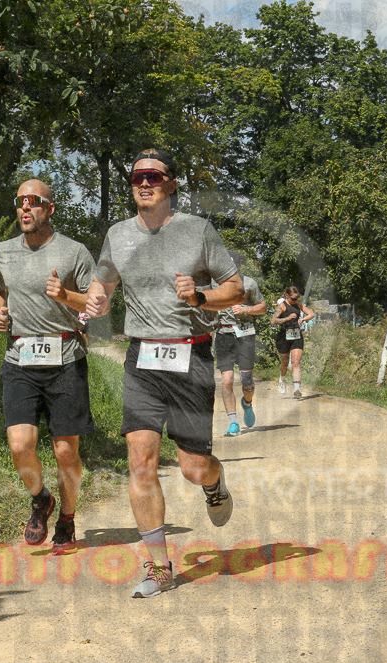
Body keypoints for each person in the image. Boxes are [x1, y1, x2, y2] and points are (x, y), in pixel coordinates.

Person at [85, 148, 244, 598]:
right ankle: (159, 567)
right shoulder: (118, 234)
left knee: (193, 468)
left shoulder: (198, 230)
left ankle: (214, 481)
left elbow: (235, 289)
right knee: (141, 462)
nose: (144, 182)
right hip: (142, 359)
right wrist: (95, 299)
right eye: (137, 176)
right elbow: (103, 283)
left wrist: (200, 297)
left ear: (171, 184)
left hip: (191, 357)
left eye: (154, 176)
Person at [0, 179, 95, 552]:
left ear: (49, 208)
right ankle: (40, 498)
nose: (24, 208)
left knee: (65, 451)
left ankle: (67, 518)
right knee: (20, 446)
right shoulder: (3, 251)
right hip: (20, 358)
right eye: (19, 201)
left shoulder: (74, 251)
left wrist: (65, 295)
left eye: (32, 201)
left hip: (65, 359)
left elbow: (96, 303)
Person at [214, 251, 268, 437]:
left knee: (247, 381)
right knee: (227, 380)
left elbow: (263, 307)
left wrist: (247, 309)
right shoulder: (215, 284)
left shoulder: (249, 283)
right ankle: (233, 422)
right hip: (224, 334)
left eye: (233, 266)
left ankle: (247, 403)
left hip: (245, 334)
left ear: (239, 265)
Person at [272, 284, 315, 400]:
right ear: (287, 295)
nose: (295, 300)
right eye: (293, 298)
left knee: (296, 362)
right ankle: (282, 378)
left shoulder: (298, 305)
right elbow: (273, 321)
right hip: (283, 336)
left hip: (296, 335)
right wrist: (287, 318)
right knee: (285, 362)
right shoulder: (282, 306)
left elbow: (312, 313)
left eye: (297, 298)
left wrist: (303, 319)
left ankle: (297, 389)